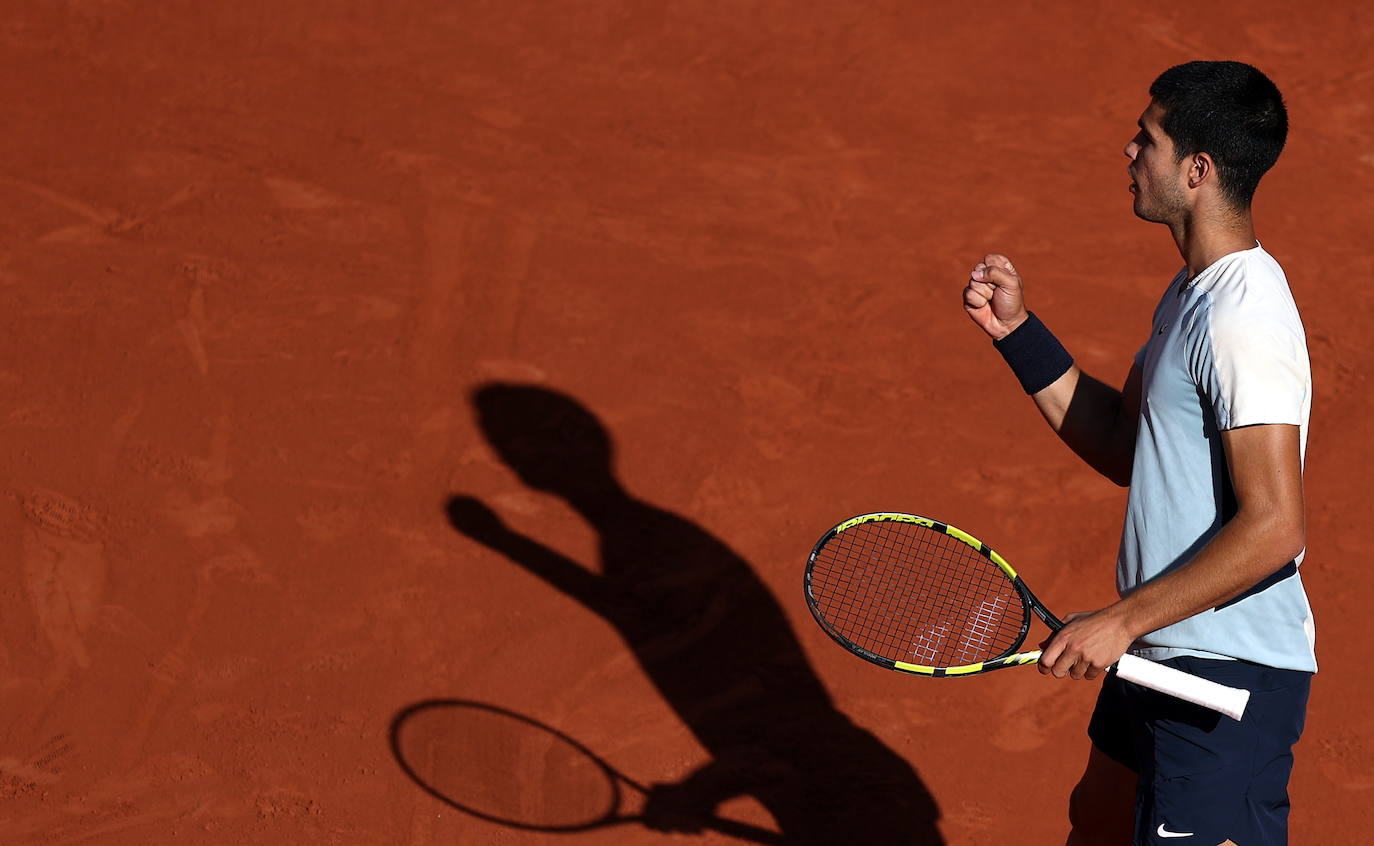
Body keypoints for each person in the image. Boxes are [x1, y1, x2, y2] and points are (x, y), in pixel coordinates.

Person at [961, 61, 1315, 846]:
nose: (1128, 151)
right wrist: (1018, 336)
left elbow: (1275, 527)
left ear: (1198, 170)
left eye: (1145, 139)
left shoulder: (1242, 320)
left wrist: (1120, 620)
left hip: (1225, 673)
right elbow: (1127, 444)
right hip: (1165, 645)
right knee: (1098, 818)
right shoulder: (1189, 297)